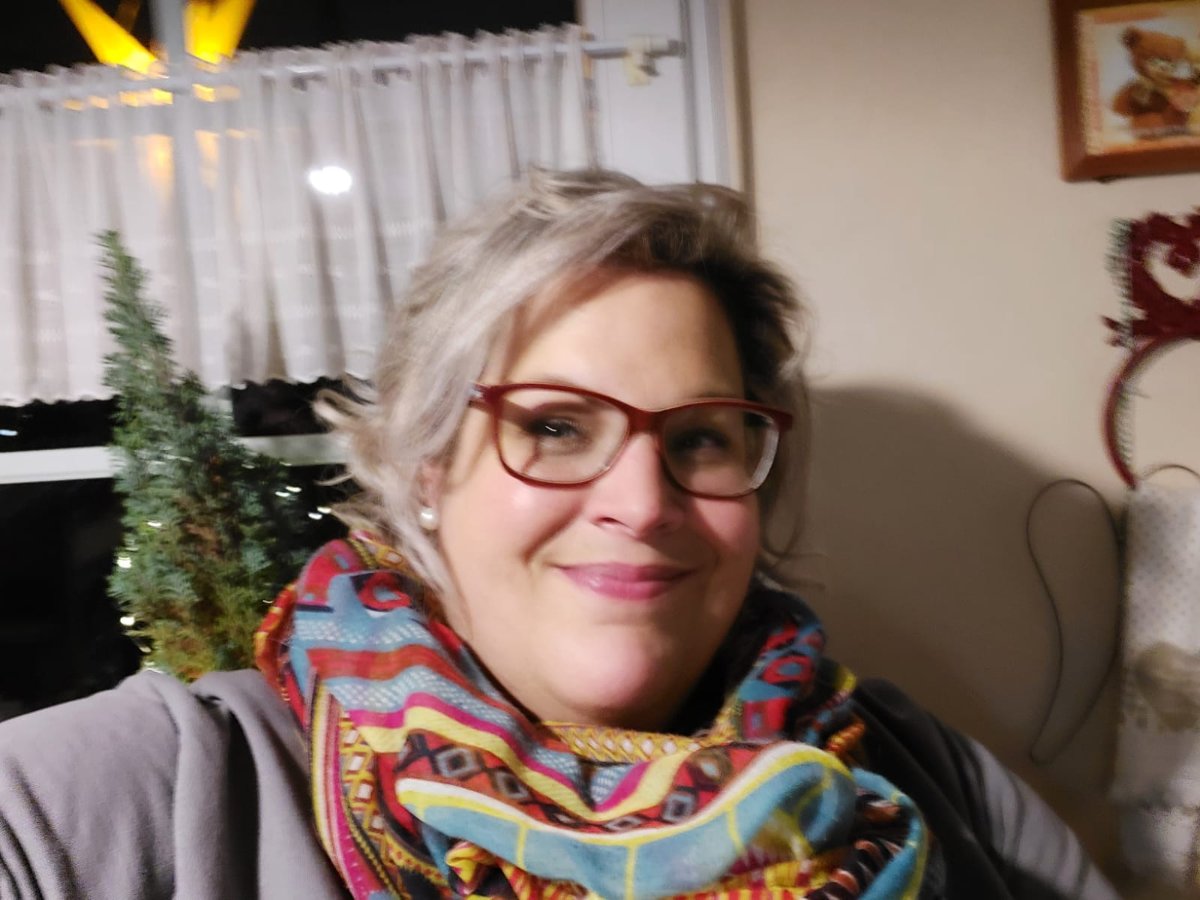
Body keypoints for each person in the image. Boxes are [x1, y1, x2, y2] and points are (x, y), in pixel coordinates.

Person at [0, 169, 1116, 899]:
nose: (642, 501)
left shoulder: (916, 769)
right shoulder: (155, 794)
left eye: (700, 438)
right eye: (555, 426)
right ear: (427, 468)